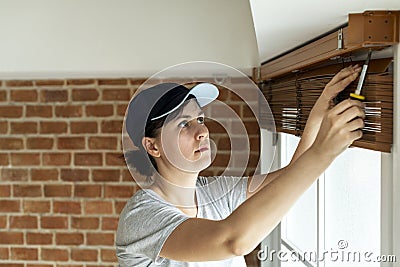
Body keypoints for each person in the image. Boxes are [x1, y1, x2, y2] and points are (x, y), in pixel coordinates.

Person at [116, 65, 365, 266]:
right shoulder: (141, 217)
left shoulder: (214, 192)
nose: (202, 131)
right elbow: (233, 241)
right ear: (152, 146)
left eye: (200, 119)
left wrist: (319, 112)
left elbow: (292, 176)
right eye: (184, 124)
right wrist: (323, 151)